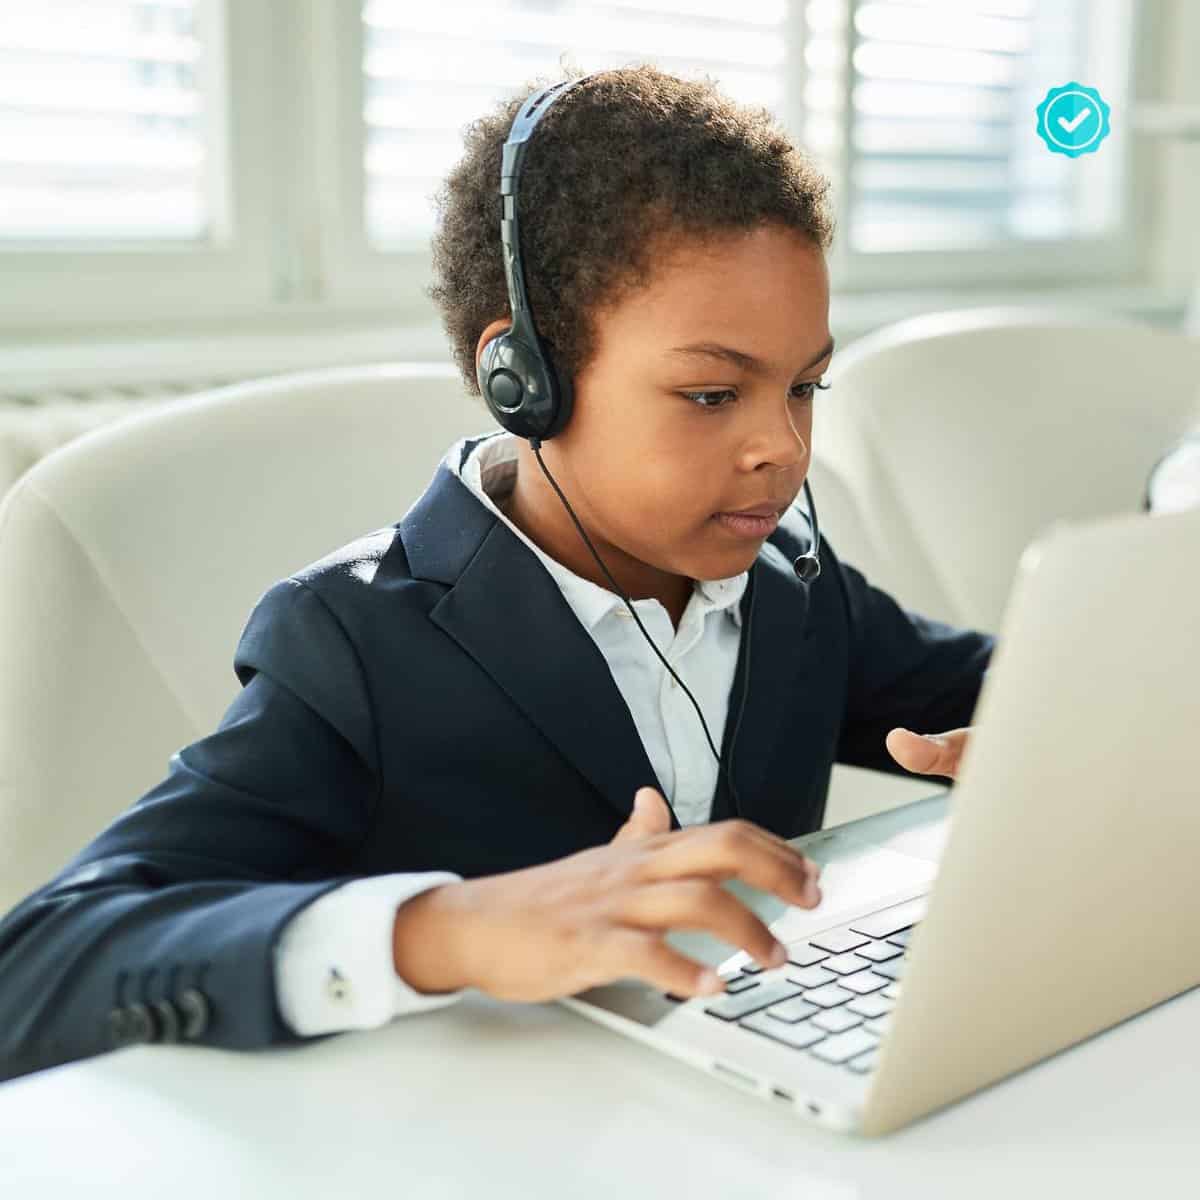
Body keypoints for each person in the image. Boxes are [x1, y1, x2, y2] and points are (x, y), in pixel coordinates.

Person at [0, 65, 994, 1084]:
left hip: (755, 1117)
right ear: (523, 377)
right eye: (709, 393)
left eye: (805, 386)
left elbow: (1030, 687)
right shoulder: (354, 642)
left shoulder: (797, 590)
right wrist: (450, 929)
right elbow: (39, 969)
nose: (782, 448)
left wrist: (1052, 738)